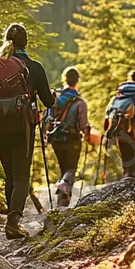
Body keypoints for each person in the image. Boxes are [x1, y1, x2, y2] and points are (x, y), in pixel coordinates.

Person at [0, 23, 54, 239]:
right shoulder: (35, 67)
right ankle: (13, 222)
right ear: (25, 43)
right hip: (23, 128)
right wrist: (52, 97)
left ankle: (11, 221)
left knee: (10, 174)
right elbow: (48, 101)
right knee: (21, 175)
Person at [45, 66, 91, 207]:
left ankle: (62, 201)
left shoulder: (54, 99)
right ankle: (64, 187)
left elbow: (48, 119)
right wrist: (88, 132)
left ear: (64, 79)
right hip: (72, 139)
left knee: (64, 167)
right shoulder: (79, 102)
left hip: (56, 138)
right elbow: (83, 125)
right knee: (71, 169)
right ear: (77, 81)